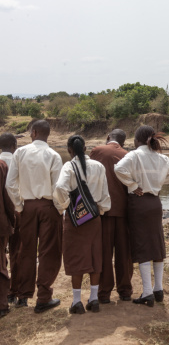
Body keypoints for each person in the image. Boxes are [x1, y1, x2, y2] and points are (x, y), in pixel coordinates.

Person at [114, 126, 169, 306]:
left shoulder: (135, 154)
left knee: (142, 245)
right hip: (155, 202)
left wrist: (131, 184)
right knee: (157, 243)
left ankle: (147, 293)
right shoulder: (161, 157)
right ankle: (158, 289)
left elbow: (119, 169)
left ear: (138, 140)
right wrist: (160, 182)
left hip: (139, 202)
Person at [6, 120, 63, 313]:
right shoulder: (54, 155)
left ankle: (23, 296)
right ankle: (44, 297)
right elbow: (58, 187)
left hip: (27, 207)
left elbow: (10, 184)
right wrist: (59, 209)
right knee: (49, 252)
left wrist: (20, 206)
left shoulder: (20, 152)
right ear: (47, 134)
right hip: (48, 206)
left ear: (33, 132)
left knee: (26, 251)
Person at [53, 135, 111, 314]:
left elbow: (59, 188)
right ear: (85, 148)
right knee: (95, 257)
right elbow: (105, 195)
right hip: (94, 220)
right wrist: (99, 211)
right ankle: (93, 300)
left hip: (75, 221)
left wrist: (64, 206)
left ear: (70, 150)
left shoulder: (69, 166)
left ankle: (76, 302)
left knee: (76, 257)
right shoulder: (99, 166)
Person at [89, 129, 133, 303]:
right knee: (124, 253)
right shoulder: (128, 155)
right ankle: (125, 291)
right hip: (124, 210)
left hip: (102, 211)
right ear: (123, 141)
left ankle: (104, 292)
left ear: (108, 137)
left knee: (104, 253)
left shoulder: (96, 151)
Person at [0, 133, 19, 306]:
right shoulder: (16, 161)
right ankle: (13, 292)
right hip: (15, 212)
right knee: (17, 252)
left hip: (4, 216)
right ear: (14, 145)